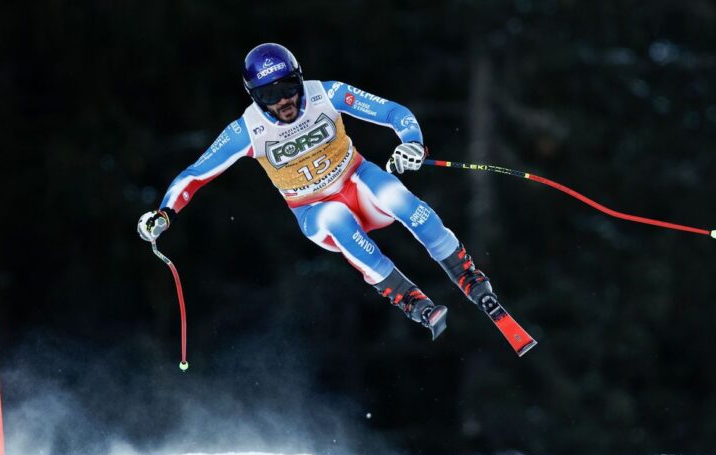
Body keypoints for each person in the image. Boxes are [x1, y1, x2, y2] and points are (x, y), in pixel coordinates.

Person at [138, 43, 495, 340]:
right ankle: (410, 299)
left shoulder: (327, 93)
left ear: (300, 78)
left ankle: (466, 273)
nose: (284, 101)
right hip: (314, 211)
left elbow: (393, 112)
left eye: (289, 87)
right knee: (337, 217)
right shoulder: (246, 130)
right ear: (253, 96)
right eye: (269, 95)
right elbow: (195, 175)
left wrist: (412, 144)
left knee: (395, 195)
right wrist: (165, 214)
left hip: (358, 182)